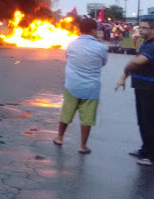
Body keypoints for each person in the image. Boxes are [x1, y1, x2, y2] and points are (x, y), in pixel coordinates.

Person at [54, 18, 108, 154]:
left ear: (80, 29)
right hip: (91, 88)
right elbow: (103, 63)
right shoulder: (101, 47)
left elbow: (68, 57)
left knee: (66, 112)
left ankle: (60, 137)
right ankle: (83, 146)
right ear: (94, 30)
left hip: (72, 85)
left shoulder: (72, 43)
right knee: (87, 118)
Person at [115, 19, 154, 166]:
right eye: (140, 27)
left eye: (145, 28)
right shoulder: (146, 44)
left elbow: (138, 62)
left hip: (149, 90)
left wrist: (129, 65)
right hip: (141, 88)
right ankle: (145, 149)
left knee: (149, 122)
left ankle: (150, 156)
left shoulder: (152, 46)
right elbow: (136, 66)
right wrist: (123, 77)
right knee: (142, 122)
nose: (141, 30)